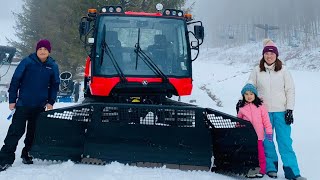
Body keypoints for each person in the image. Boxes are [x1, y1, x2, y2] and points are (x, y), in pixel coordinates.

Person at [246, 39, 306, 180]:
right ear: (263, 55)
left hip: (281, 112)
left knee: (285, 141)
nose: (269, 56)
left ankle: (292, 172)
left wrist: (289, 110)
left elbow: (290, 90)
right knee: (267, 141)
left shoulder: (284, 70)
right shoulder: (256, 70)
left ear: (276, 55)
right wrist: (241, 101)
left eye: (272, 53)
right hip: (263, 112)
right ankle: (270, 168)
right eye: (266, 53)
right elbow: (249, 87)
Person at [0, 39, 60, 171]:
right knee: (15, 132)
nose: (42, 51)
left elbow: (55, 85)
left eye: (45, 49)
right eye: (40, 49)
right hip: (23, 104)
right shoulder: (27, 62)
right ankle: (4, 159)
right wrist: (12, 100)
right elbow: (15, 80)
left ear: (49, 51)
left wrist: (51, 102)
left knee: (33, 132)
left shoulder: (53, 66)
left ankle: (27, 153)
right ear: (36, 50)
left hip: (39, 106)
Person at [237, 83, 273, 178]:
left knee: (260, 153)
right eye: (246, 94)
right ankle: (249, 169)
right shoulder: (242, 108)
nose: (249, 96)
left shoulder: (260, 107)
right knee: (248, 153)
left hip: (258, 136)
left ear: (255, 95)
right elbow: (238, 122)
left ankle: (262, 170)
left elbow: (266, 121)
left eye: (251, 94)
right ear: (243, 95)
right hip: (247, 136)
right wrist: (238, 130)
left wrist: (269, 132)